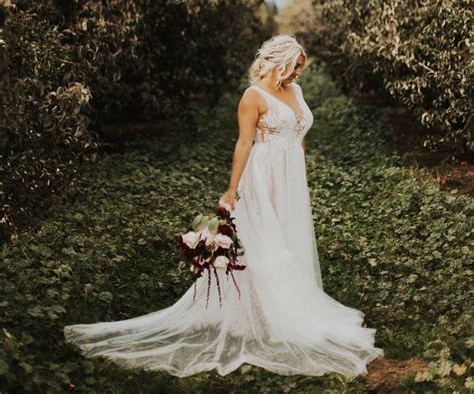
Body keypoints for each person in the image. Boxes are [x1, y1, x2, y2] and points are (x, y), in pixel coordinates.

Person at [63, 34, 384, 378]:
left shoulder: (297, 91)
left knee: (289, 239)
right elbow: (245, 143)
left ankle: (283, 307)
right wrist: (232, 191)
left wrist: (299, 179)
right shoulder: (252, 96)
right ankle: (267, 316)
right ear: (279, 61)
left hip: (291, 177)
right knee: (268, 245)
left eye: (301, 70)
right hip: (263, 176)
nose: (297, 76)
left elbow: (299, 137)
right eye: (295, 68)